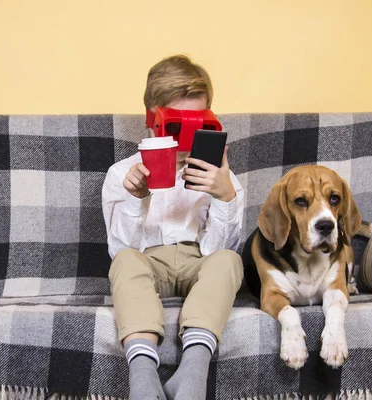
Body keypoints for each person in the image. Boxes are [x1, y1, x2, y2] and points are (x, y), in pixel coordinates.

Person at [102, 54, 244, 400]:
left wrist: (225, 196)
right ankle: (143, 377)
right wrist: (136, 198)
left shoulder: (220, 176)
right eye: (176, 128)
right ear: (151, 124)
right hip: (147, 261)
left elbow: (219, 253)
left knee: (229, 262)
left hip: (199, 261)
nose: (184, 142)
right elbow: (121, 251)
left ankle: (192, 372)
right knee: (124, 263)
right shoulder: (121, 175)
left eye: (198, 127)